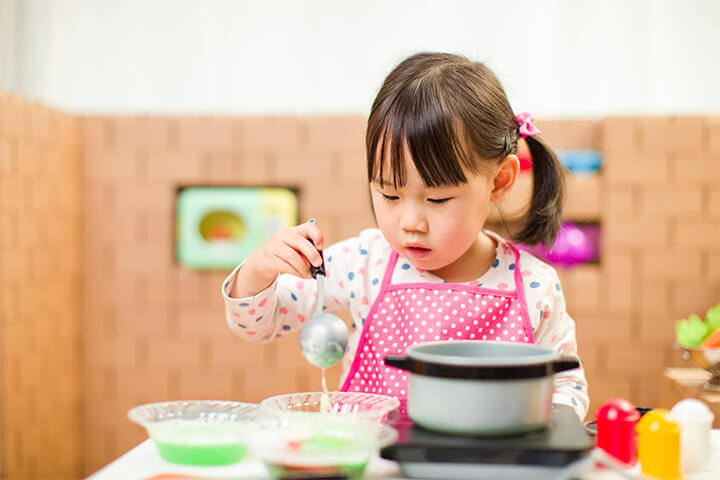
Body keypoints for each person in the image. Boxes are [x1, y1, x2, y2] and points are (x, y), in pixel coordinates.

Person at [222, 52, 588, 419]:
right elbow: (258, 325)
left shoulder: (534, 286)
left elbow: (565, 387)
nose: (411, 221)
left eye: (437, 198)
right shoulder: (361, 264)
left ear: (499, 180)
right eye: (390, 195)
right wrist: (259, 271)